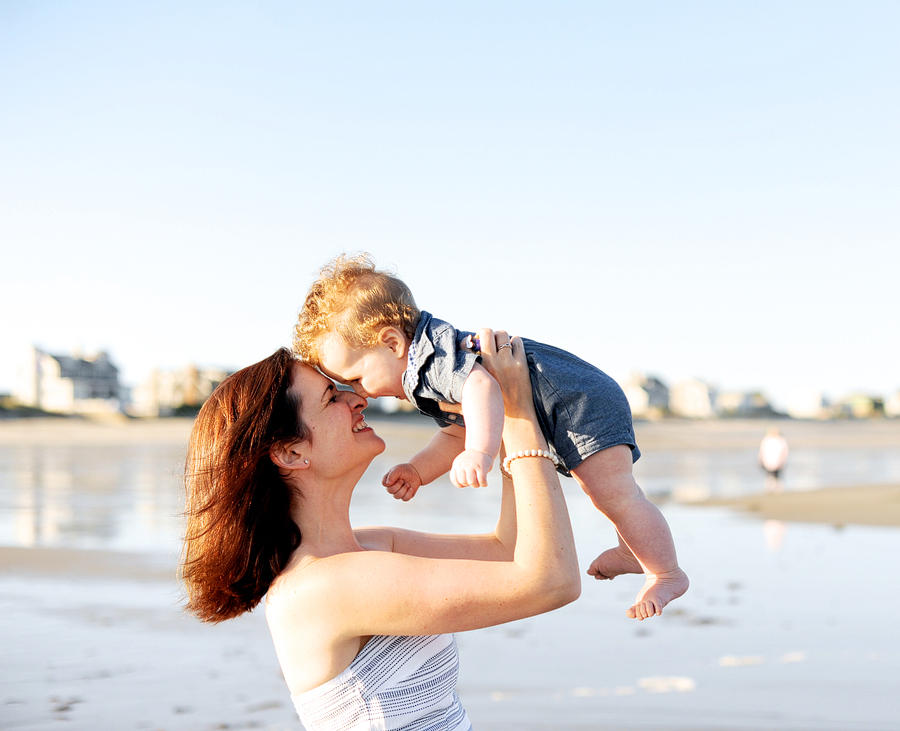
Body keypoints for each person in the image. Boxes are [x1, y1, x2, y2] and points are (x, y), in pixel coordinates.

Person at [181, 332, 581, 731]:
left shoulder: (370, 547)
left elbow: (509, 551)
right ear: (291, 452)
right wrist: (521, 413)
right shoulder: (322, 586)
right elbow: (552, 581)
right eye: (331, 397)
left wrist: (501, 415)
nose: (358, 399)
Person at [292, 253, 688, 620]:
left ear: (393, 343)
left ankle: (667, 572)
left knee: (615, 493)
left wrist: (480, 452)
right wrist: (417, 470)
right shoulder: (425, 373)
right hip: (570, 399)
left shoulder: (435, 360)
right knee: (604, 492)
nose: (359, 393)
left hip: (579, 399)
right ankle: (633, 549)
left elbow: (482, 389)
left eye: (357, 379)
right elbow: (454, 432)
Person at [759, 426, 789, 493]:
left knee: (777, 475)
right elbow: (762, 450)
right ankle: (770, 487)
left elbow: (785, 451)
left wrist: (783, 460)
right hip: (768, 460)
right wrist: (760, 459)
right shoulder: (766, 440)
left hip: (778, 461)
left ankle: (778, 488)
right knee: (769, 474)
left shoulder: (781, 440)